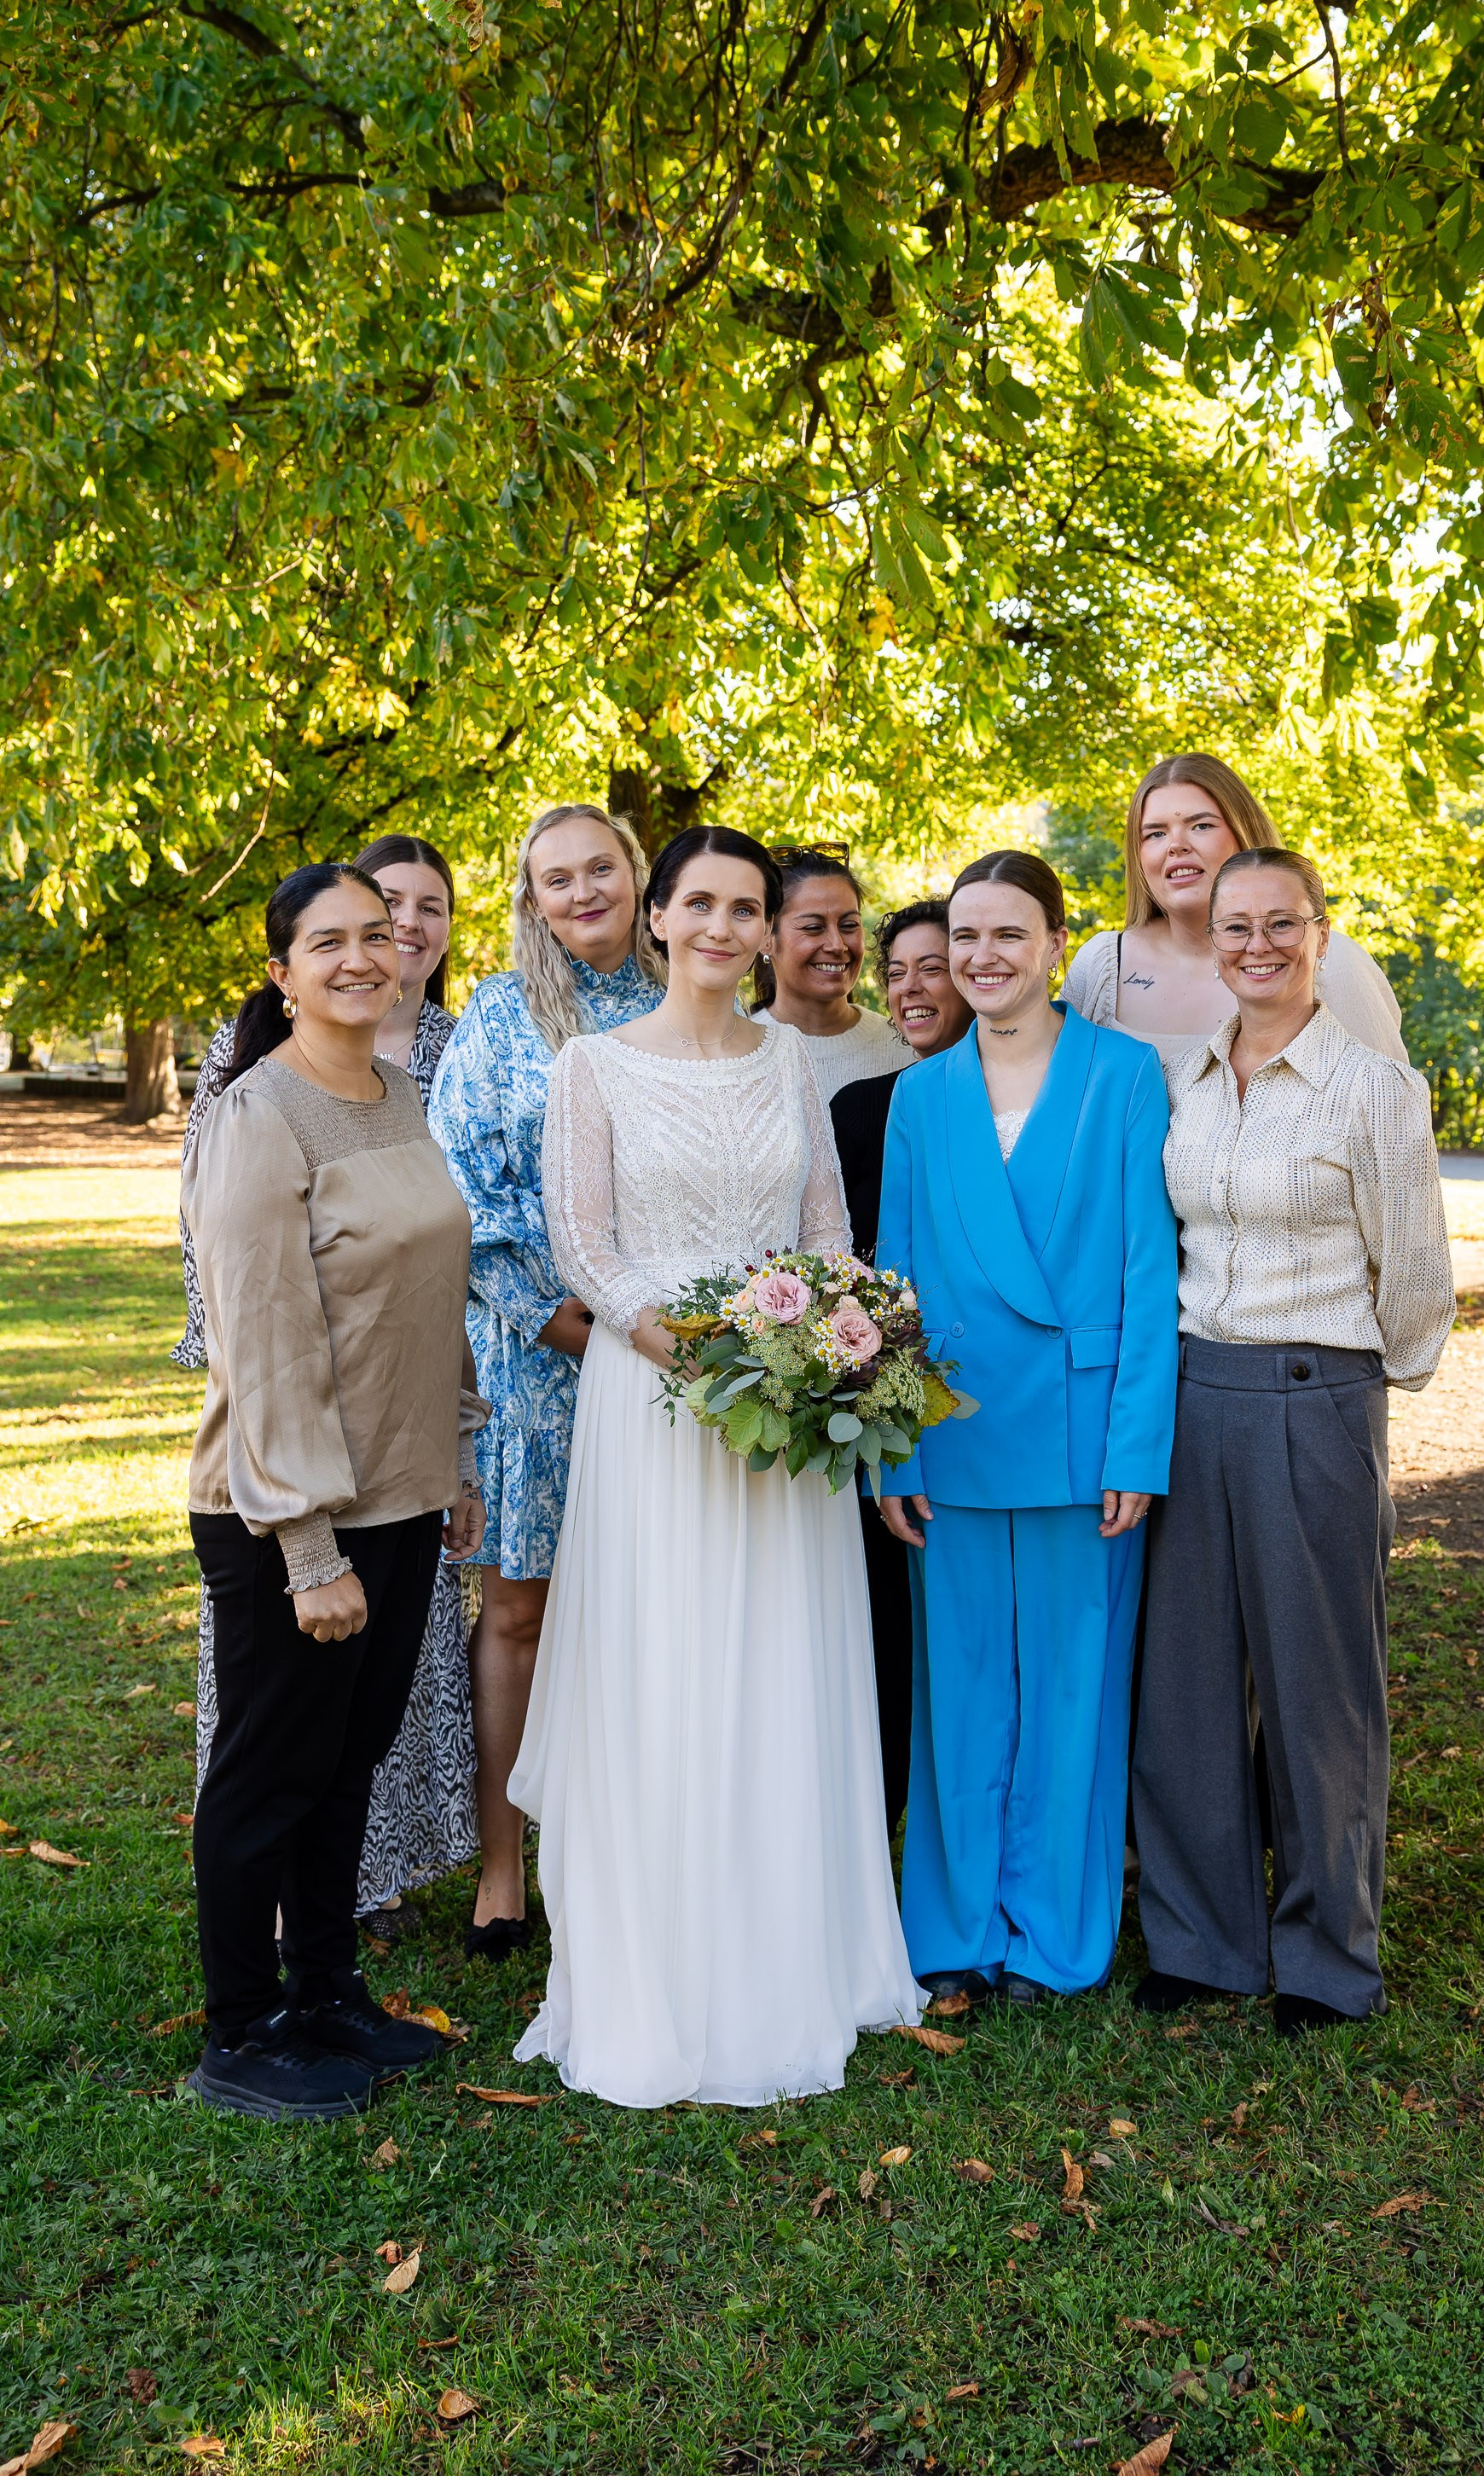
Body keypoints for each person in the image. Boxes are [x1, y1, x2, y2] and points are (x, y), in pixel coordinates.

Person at [512, 823, 921, 2107]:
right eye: (701, 904)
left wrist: (815, 1342)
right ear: (660, 918)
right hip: (655, 1409)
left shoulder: (791, 1061)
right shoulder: (594, 1066)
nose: (723, 928)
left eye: (747, 908)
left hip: (784, 1419)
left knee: (780, 1662)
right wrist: (673, 1340)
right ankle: (661, 1965)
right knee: (666, 1665)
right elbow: (579, 1239)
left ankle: (791, 1944)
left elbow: (826, 1228)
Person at [1131, 847, 1455, 2038]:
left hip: (1317, 1395)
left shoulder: (1374, 1091)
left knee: (1322, 1688)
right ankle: (1201, 1940)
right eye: (1234, 927)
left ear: (1320, 933)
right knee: (1186, 1686)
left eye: (1280, 923)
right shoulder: (1189, 1082)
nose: (1255, 945)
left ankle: (1326, 1953)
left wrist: (1357, 1391)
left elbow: (1416, 1274)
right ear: (1209, 940)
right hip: (1192, 1394)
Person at [182, 862, 488, 2120]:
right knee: (267, 1770)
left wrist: (454, 1459)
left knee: (346, 1757)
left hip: (403, 1494)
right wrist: (308, 1546)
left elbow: (428, 1298)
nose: (366, 955)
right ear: (282, 972)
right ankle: (242, 2028)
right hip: (286, 1511)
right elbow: (265, 1340)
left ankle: (326, 1991)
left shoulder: (401, 1093)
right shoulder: (259, 1118)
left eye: (383, 932)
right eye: (330, 942)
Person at [875, 851, 1180, 2005]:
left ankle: (1054, 1937)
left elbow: (1149, 1273)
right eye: (966, 937)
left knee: (1072, 1691)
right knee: (956, 1694)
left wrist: (1136, 1447)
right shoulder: (922, 1095)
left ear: (1059, 943)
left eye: (1010, 935)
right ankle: (953, 1935)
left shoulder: (1125, 1074)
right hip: (950, 1430)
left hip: (1082, 1430)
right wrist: (893, 1450)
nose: (984, 959)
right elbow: (893, 1281)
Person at [428, 804, 664, 1961]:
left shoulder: (692, 998)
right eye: (554, 879)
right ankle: (506, 1863)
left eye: (599, 869)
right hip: (543, 1356)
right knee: (520, 1608)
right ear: (531, 898)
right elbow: (466, 1187)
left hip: (670, 1358)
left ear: (635, 874)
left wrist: (652, 1327)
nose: (581, 892)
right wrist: (564, 1321)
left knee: (653, 1604)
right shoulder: (499, 1012)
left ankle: (637, 1844)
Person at [827, 902, 973, 1834]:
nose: (915, 988)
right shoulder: (859, 1108)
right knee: (887, 1607)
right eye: (902, 971)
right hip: (884, 1389)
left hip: (990, 1391)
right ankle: (888, 1806)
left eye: (935, 967)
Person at [1063, 753, 1407, 1065]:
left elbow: (1388, 1105)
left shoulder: (1327, 959)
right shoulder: (1102, 965)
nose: (1176, 846)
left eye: (1201, 826)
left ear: (1243, 835)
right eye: (1155, 833)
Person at [751, 845, 917, 1103]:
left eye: (849, 926)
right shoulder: (736, 1052)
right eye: (814, 928)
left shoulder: (907, 1047)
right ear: (765, 938)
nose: (837, 945)